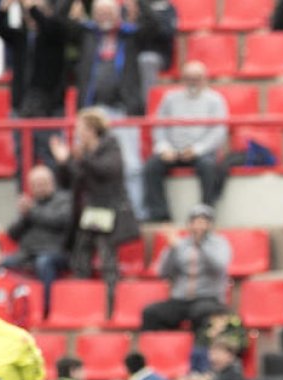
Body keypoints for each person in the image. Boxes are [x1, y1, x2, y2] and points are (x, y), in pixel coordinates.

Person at [70, 0, 160, 218]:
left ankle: (135, 212)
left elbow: (152, 26)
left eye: (109, 11)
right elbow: (57, 24)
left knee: (131, 165)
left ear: (118, 14)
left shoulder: (129, 37)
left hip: (122, 110)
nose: (104, 16)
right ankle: (83, 214)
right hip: (90, 112)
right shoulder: (87, 35)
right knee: (82, 162)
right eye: (99, 12)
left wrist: (139, 3)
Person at [51, 107, 141, 306]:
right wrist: (64, 162)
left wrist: (83, 157)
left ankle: (112, 306)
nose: (77, 133)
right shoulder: (82, 152)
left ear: (91, 129)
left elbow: (108, 170)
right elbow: (69, 181)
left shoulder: (110, 146)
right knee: (80, 257)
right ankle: (83, 304)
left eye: (80, 128)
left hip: (108, 211)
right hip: (87, 213)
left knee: (107, 260)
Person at [0, 0, 72, 179]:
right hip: (21, 107)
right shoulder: (21, 37)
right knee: (22, 157)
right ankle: (25, 201)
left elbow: (48, 27)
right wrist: (4, 8)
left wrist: (32, 6)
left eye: (37, 12)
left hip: (49, 109)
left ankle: (55, 203)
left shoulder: (56, 33)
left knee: (50, 156)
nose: (32, 15)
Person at [143, 61, 229, 221]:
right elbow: (159, 125)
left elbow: (219, 131)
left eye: (197, 78)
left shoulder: (215, 100)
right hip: (172, 151)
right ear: (182, 78)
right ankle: (160, 215)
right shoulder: (170, 99)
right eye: (189, 77)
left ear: (205, 79)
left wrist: (197, 149)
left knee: (209, 167)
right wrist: (164, 147)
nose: (193, 81)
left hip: (201, 152)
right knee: (151, 167)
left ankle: (205, 213)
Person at [141, 203, 231, 331]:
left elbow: (219, 266)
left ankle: (198, 350)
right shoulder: (180, 244)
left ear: (210, 224)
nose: (199, 226)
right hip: (180, 300)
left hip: (208, 298)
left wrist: (200, 245)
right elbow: (162, 272)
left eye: (203, 222)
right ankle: (162, 349)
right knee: (151, 313)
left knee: (201, 313)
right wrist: (172, 249)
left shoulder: (219, 244)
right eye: (195, 222)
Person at [5, 165, 72, 315]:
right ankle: (6, 307)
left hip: (56, 253)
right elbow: (12, 234)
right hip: (28, 253)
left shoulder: (63, 200)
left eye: (42, 183)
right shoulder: (31, 205)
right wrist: (24, 216)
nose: (39, 188)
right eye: (35, 185)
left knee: (43, 262)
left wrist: (32, 212)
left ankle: (46, 308)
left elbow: (60, 221)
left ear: (52, 182)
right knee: (2, 264)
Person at [138, 0, 178, 104]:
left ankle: (148, 105)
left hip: (160, 54)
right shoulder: (134, 6)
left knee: (147, 59)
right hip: (133, 52)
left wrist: (150, 15)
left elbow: (167, 33)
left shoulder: (168, 8)